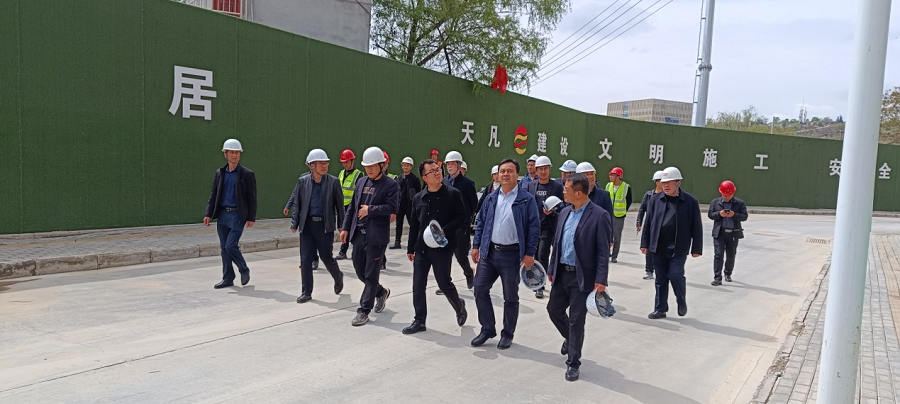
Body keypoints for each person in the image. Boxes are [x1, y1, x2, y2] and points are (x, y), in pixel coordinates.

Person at [547, 173, 611, 382]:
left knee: (576, 320)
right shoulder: (564, 212)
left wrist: (601, 279)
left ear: (579, 193)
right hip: (562, 273)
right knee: (553, 310)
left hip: (582, 277)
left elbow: (603, 251)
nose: (563, 192)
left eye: (566, 189)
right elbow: (557, 243)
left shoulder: (599, 215)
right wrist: (551, 268)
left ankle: (573, 363)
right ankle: (570, 339)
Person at [471, 159, 540, 350]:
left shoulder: (526, 199)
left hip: (512, 255)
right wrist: (476, 246)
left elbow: (534, 228)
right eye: (502, 171)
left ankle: (507, 334)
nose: (505, 174)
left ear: (517, 175)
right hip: (490, 253)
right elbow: (481, 223)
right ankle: (487, 329)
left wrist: (530, 253)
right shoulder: (491, 198)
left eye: (510, 171)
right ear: (497, 175)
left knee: (510, 297)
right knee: (479, 288)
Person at [402, 159, 469, 334]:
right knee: (418, 285)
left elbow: (462, 217)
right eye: (432, 171)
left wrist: (444, 230)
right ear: (425, 178)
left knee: (444, 283)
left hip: (443, 247)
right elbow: (414, 225)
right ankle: (419, 320)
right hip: (422, 249)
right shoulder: (418, 198)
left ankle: (459, 306)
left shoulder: (453, 194)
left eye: (438, 169)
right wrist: (410, 248)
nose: (437, 173)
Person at [340, 146, 400, 326]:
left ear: (382, 165)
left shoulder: (391, 185)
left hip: (376, 236)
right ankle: (381, 292)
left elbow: (392, 207)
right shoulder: (361, 182)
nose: (369, 169)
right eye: (367, 166)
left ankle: (363, 310)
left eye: (373, 166)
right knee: (360, 270)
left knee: (371, 274)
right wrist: (345, 228)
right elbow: (352, 207)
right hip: (359, 234)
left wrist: (370, 210)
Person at [640, 166, 703, 320]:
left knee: (675, 275)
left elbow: (697, 226)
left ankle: (681, 300)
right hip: (658, 247)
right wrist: (645, 243)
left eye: (669, 182)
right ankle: (660, 309)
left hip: (678, 248)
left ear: (678, 183)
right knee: (660, 279)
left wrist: (697, 248)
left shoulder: (690, 202)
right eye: (663, 182)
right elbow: (648, 223)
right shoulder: (655, 200)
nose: (665, 185)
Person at [290, 149, 346, 303]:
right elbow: (297, 204)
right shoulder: (303, 182)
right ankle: (306, 292)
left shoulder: (333, 182)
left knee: (326, 257)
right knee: (305, 259)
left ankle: (338, 276)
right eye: (321, 163)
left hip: (324, 226)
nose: (324, 166)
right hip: (307, 226)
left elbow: (340, 206)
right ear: (311, 165)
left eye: (326, 163)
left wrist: (342, 225)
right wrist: (295, 222)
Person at [204, 139, 257, 289]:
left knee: (230, 245)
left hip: (237, 215)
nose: (234, 155)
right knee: (224, 248)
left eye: (237, 152)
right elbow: (214, 194)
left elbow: (252, 197)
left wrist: (251, 217)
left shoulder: (246, 174)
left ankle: (243, 268)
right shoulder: (220, 173)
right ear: (225, 154)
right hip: (222, 215)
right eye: (231, 152)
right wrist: (208, 214)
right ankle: (227, 278)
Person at [526, 156, 564, 299]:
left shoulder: (557, 187)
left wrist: (553, 211)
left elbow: (563, 207)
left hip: (548, 227)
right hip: (533, 227)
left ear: (549, 170)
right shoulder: (531, 186)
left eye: (545, 169)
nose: (543, 171)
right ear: (536, 171)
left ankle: (540, 286)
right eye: (540, 169)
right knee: (533, 255)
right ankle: (535, 279)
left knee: (543, 254)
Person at [442, 151, 478, 291]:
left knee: (461, 256)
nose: (450, 167)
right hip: (446, 226)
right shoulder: (443, 182)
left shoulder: (468, 183)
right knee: (445, 256)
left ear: (459, 165)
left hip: (461, 227)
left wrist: (465, 218)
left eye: (452, 164)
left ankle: (469, 273)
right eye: (448, 164)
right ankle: (446, 283)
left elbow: (474, 204)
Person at [708, 180, 748, 286]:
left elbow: (744, 216)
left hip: (733, 234)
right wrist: (719, 214)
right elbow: (710, 214)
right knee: (718, 255)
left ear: (733, 193)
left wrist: (734, 215)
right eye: (724, 195)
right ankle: (717, 278)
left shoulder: (739, 203)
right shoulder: (715, 202)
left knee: (731, 255)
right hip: (719, 233)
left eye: (728, 195)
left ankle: (728, 273)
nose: (726, 197)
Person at [284, 172, 319, 270]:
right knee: (304, 240)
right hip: (304, 215)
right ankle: (305, 261)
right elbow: (296, 192)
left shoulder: (323, 179)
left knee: (314, 240)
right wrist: (288, 206)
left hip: (316, 214)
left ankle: (314, 259)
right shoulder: (303, 179)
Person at [636, 171, 664, 280]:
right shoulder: (649, 195)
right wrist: (639, 222)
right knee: (648, 249)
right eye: (662, 181)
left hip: (662, 226)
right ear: (656, 182)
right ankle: (649, 270)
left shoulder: (666, 196)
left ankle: (660, 270)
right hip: (650, 225)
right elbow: (642, 209)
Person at [336, 149, 363, 261]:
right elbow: (338, 190)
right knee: (342, 228)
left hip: (351, 206)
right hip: (341, 206)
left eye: (347, 162)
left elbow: (359, 193)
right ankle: (345, 249)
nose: (345, 164)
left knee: (349, 228)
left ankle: (343, 251)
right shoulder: (341, 173)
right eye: (343, 162)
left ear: (352, 161)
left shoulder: (358, 174)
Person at [390, 157, 421, 250]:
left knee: (413, 224)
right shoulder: (400, 178)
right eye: (404, 165)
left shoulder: (415, 179)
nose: (405, 167)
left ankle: (415, 242)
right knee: (398, 223)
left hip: (410, 206)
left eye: (407, 165)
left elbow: (418, 193)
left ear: (411, 167)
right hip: (400, 205)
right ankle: (397, 242)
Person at [605, 167, 632, 263]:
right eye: (610, 175)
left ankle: (614, 256)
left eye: (612, 175)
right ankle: (606, 254)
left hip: (619, 216)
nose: (610, 177)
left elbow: (629, 201)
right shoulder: (608, 186)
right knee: (607, 235)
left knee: (617, 237)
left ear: (618, 176)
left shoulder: (626, 187)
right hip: (608, 214)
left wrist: (623, 210)